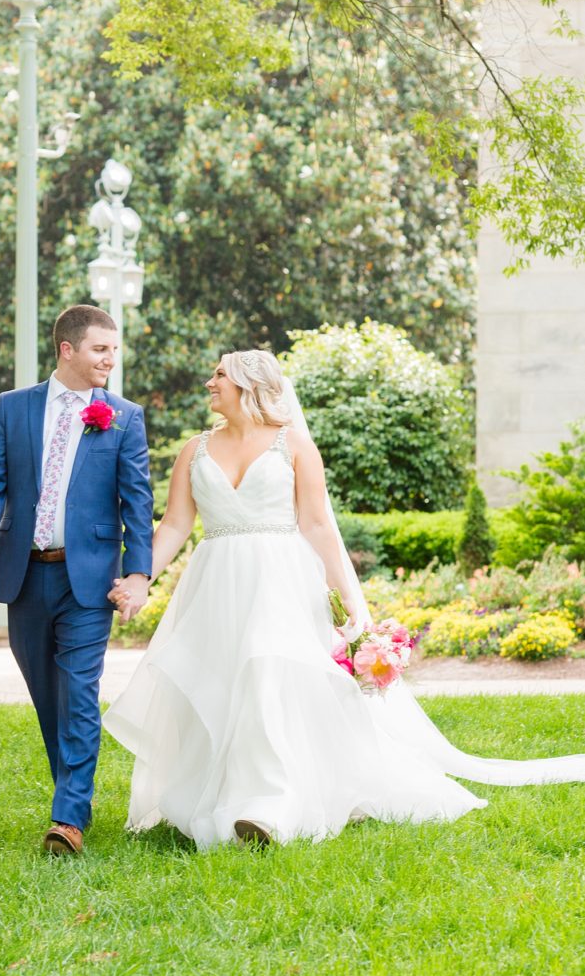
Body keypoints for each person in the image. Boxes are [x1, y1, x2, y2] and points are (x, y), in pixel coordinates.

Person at [104, 349, 585, 850]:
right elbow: (177, 523)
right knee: (220, 683)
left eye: (219, 375)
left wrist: (349, 599)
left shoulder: (294, 446)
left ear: (248, 384)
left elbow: (315, 524)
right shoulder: (194, 449)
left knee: (267, 678)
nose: (209, 382)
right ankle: (218, 794)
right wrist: (140, 578)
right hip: (215, 583)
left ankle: (269, 809)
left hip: (279, 580)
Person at [0, 304, 153, 856]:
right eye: (100, 349)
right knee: (47, 696)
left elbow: (137, 503)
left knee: (77, 694)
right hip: (24, 575)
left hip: (89, 579)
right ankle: (74, 795)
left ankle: (68, 818)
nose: (109, 360)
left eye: (114, 351)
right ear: (68, 350)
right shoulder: (13, 408)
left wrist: (138, 572)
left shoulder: (124, 417)